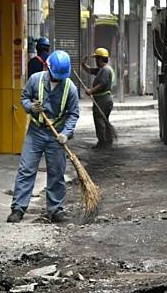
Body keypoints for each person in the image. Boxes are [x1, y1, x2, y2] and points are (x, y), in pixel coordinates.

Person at [8, 50, 79, 223]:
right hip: (36, 132)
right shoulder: (35, 80)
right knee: (26, 169)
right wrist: (30, 106)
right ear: (48, 67)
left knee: (56, 172)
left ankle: (55, 209)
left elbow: (73, 114)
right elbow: (24, 98)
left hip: (56, 135)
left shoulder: (70, 88)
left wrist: (65, 133)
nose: (58, 79)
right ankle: (18, 208)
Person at [81, 48, 115, 148]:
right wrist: (83, 64)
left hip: (103, 100)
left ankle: (102, 142)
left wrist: (91, 91)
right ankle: (107, 140)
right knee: (104, 120)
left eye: (96, 58)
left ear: (100, 59)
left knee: (99, 120)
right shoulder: (102, 69)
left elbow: (102, 84)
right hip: (104, 99)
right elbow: (90, 70)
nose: (95, 61)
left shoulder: (105, 70)